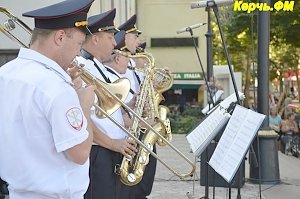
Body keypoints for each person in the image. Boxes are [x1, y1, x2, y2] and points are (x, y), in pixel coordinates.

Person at [0, 0, 96, 198]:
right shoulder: (56, 87)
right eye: (78, 44)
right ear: (60, 37)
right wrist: (83, 106)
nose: (79, 53)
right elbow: (79, 154)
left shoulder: (5, 73)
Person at [78, 10, 137, 199]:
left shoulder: (98, 66)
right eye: (111, 37)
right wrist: (113, 144)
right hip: (99, 152)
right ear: (95, 39)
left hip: (111, 151)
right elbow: (83, 118)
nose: (115, 43)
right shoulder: (80, 66)